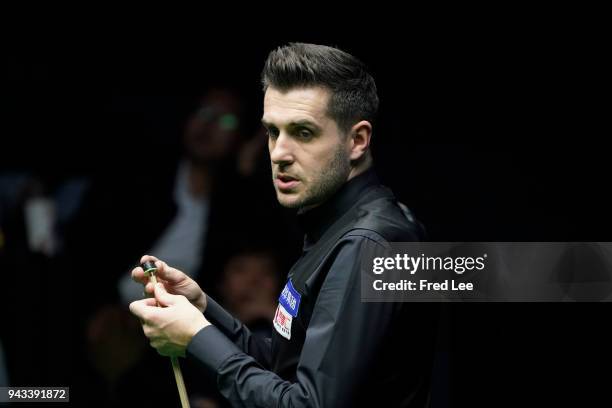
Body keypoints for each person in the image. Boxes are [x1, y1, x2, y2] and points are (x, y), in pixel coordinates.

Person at [129, 43, 438, 407]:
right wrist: (204, 311)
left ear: (357, 140)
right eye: (273, 132)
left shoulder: (367, 244)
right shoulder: (337, 223)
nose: (278, 153)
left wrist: (196, 337)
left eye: (303, 133)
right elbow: (287, 365)